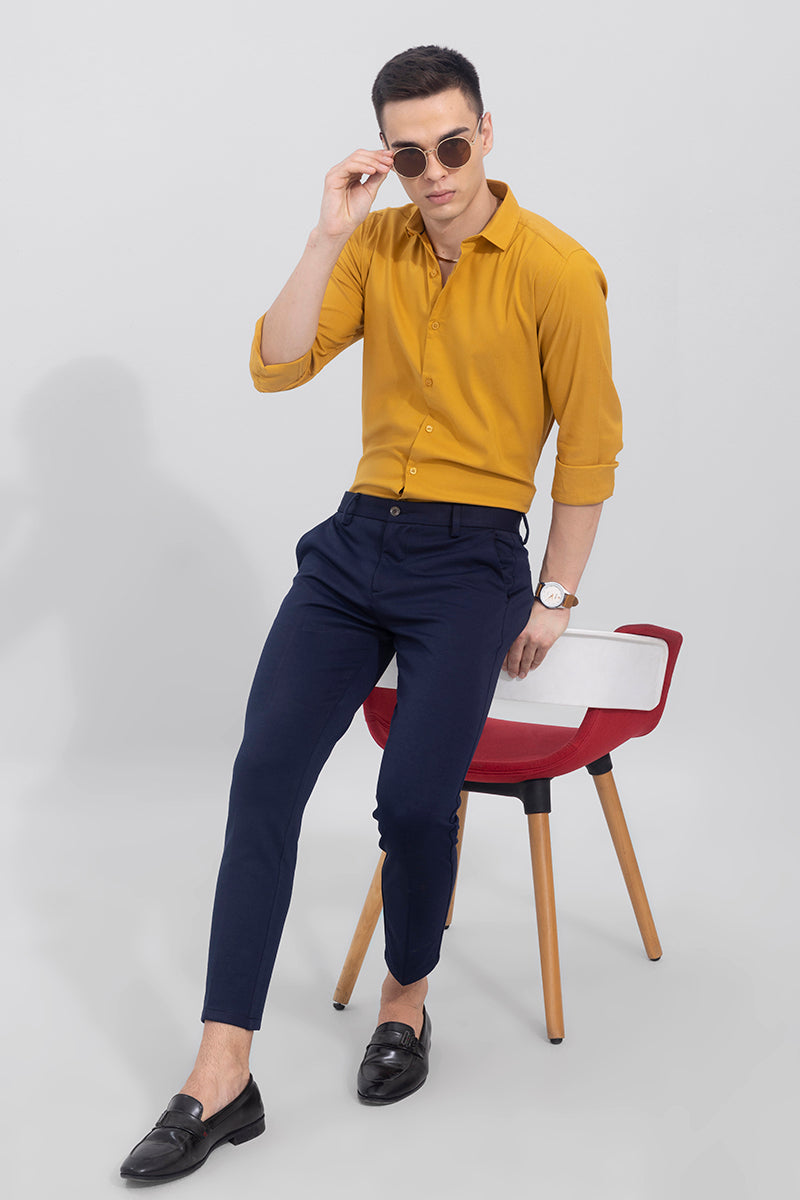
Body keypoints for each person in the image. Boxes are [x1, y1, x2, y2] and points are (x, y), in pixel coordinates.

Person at [120, 43, 623, 1182]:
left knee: (414, 801)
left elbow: (589, 450)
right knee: (263, 777)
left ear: (485, 135)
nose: (433, 173)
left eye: (451, 146)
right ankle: (221, 1073)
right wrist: (325, 236)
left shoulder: (556, 270)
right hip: (354, 546)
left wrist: (553, 594)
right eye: (409, 156)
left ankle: (405, 997)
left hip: (471, 561)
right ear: (386, 157)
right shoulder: (376, 243)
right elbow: (277, 363)